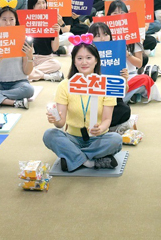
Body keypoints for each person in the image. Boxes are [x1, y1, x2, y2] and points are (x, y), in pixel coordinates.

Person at [43, 40, 123, 171]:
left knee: (116, 139)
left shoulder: (106, 84)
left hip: (98, 138)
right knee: (49, 135)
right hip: (72, 138)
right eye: (79, 58)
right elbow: (60, 124)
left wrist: (101, 128)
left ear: (96, 60)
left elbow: (107, 119)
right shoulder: (65, 85)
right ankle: (91, 161)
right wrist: (56, 119)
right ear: (74, 61)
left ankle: (74, 158)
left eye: (88, 58)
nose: (84, 62)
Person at [0, 7, 35, 109]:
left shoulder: (23, 39)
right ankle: (13, 102)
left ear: (16, 21)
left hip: (19, 82)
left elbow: (27, 72)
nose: (8, 23)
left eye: (11, 19)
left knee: (29, 90)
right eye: (4, 19)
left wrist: (30, 58)